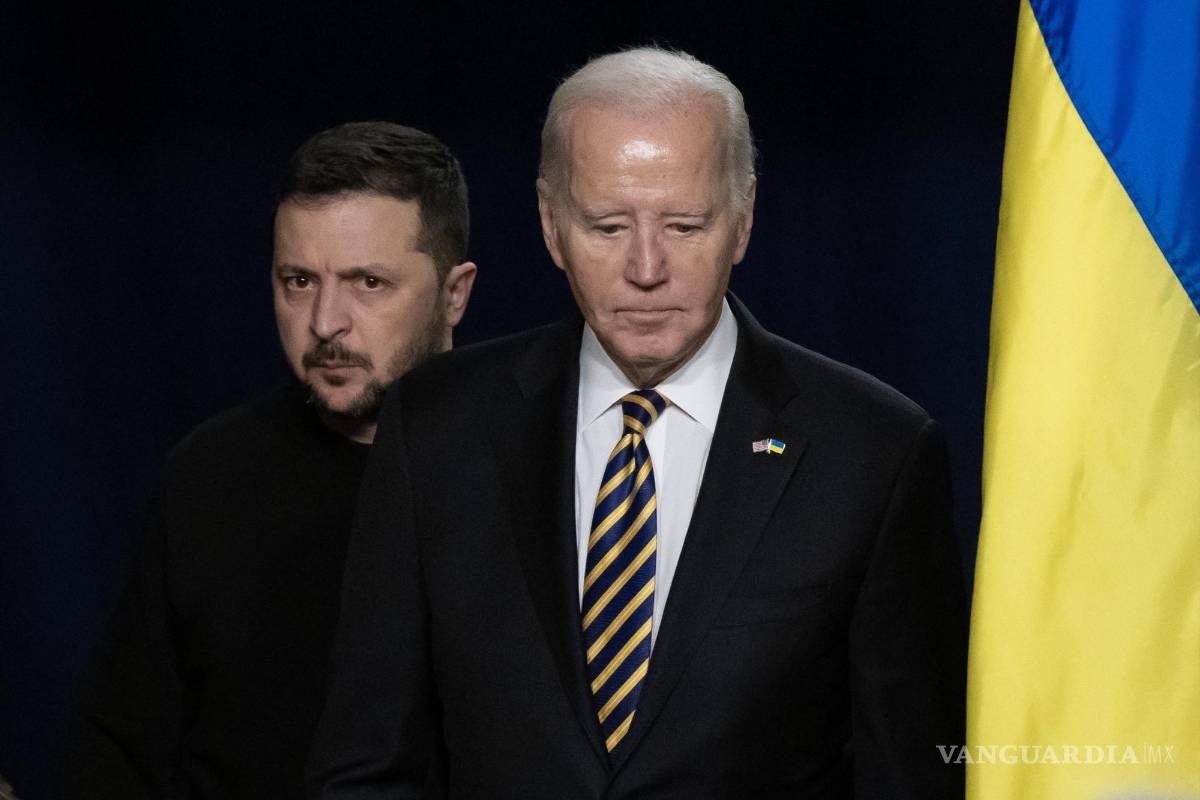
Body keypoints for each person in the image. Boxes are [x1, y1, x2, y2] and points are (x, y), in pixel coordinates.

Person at [309, 48, 966, 799]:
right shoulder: (437, 428)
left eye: (684, 226)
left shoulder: (873, 453)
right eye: (608, 226)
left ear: (743, 221)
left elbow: (913, 776)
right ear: (551, 226)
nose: (646, 268)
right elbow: (366, 764)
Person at [61, 121, 477, 798]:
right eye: (298, 282)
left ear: (454, 293)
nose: (325, 323)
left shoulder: (523, 472)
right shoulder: (211, 475)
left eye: (368, 283)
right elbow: (118, 743)